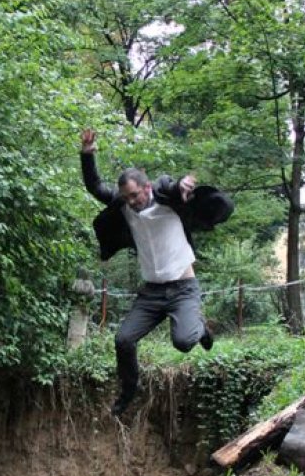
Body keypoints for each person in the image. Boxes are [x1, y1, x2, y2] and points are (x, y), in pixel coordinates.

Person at [79, 128, 234, 416]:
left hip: (183, 288)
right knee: (123, 340)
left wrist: (183, 185)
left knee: (184, 342)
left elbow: (173, 187)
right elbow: (95, 186)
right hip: (151, 292)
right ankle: (128, 391)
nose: (132, 202)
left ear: (146, 187)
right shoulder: (124, 206)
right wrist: (87, 154)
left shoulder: (168, 199)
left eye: (136, 195)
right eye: (127, 198)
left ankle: (200, 328)